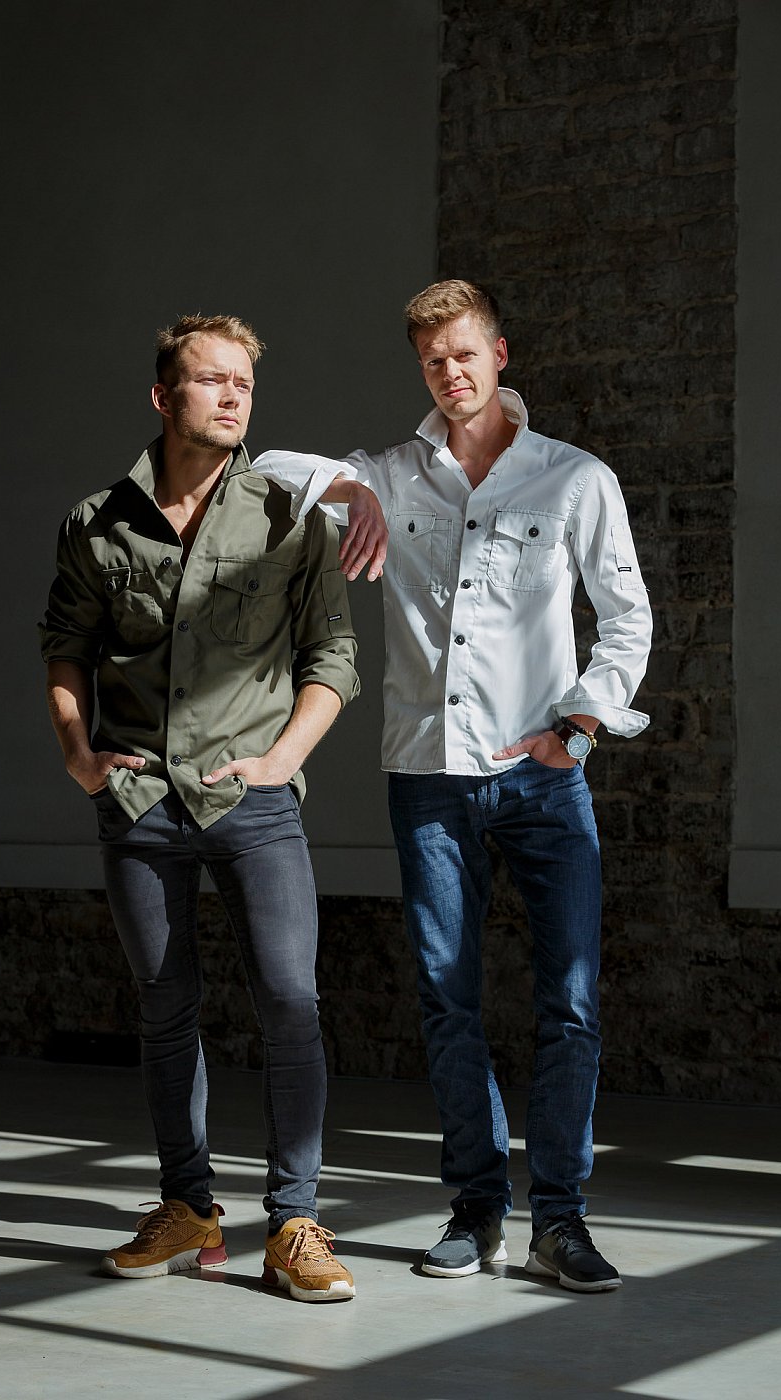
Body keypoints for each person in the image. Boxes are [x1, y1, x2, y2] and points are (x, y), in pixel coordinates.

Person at [252, 279, 653, 1293]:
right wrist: (347, 492)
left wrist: (580, 725)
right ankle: (476, 1209)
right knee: (446, 998)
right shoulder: (390, 474)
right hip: (427, 775)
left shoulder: (573, 478)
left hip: (542, 779)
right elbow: (265, 468)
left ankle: (559, 1217)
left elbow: (627, 619)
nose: (450, 373)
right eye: (433, 360)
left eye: (465, 353)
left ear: (499, 354)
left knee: (570, 1001)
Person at [40, 314, 359, 1303]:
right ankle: (188, 1207)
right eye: (211, 380)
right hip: (139, 800)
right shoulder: (97, 522)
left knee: (290, 999)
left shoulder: (290, 514)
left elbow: (333, 656)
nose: (231, 397)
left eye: (243, 383)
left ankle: (295, 1220)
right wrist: (79, 756)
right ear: (162, 395)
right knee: (165, 1006)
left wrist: (283, 760)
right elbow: (65, 646)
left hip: (251, 800)